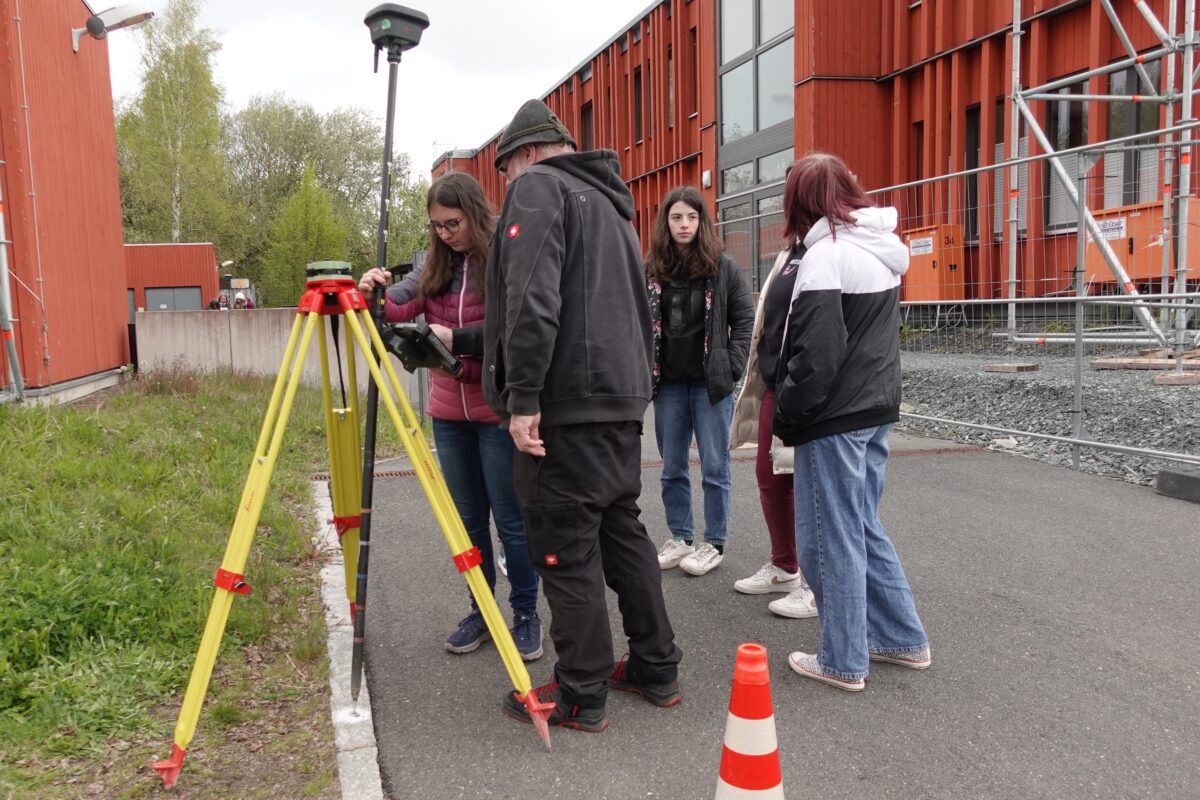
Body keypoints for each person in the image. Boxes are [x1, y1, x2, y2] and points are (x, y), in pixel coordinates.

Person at [483, 99, 681, 733]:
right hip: (617, 402)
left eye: (506, 170)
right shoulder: (614, 206)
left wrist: (523, 400)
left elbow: (532, 301)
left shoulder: (540, 188)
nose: (508, 185)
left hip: (565, 407)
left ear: (526, 154)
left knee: (564, 549)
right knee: (623, 534)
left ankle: (581, 692)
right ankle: (656, 665)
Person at [358, 171, 543, 662]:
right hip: (448, 414)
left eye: (452, 223)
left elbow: (510, 328)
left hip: (495, 413)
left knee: (511, 520)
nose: (445, 233)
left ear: (475, 214)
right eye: (436, 226)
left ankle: (526, 613)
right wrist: (375, 290)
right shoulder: (435, 265)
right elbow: (398, 306)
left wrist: (455, 338)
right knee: (467, 524)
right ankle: (481, 612)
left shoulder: (502, 256)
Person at [773, 152, 930, 692]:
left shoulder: (825, 257)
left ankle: (843, 659)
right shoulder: (879, 250)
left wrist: (788, 410)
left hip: (833, 417)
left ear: (800, 202)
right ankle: (902, 638)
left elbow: (817, 357)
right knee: (862, 524)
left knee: (829, 536)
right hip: (876, 407)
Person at [646, 186, 753, 577]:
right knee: (672, 466)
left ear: (702, 222)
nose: (684, 224)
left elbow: (744, 320)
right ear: (666, 223)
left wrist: (733, 365)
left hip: (711, 385)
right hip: (669, 386)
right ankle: (681, 536)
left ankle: (714, 542)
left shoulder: (722, 267)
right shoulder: (653, 269)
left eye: (691, 217)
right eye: (676, 217)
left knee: (714, 466)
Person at [727, 237, 819, 619]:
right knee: (770, 474)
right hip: (773, 381)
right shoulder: (789, 252)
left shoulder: (827, 249)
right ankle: (784, 566)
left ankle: (818, 585)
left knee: (810, 485)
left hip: (807, 383)